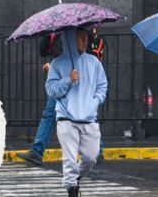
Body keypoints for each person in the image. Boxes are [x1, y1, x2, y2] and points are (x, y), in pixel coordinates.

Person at [17, 29, 105, 166]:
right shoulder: (60, 33)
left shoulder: (82, 33)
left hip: (77, 80)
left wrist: (96, 100)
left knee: (78, 115)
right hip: (64, 80)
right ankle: (37, 151)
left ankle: (37, 151)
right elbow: (44, 51)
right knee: (53, 114)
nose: (84, 40)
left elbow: (87, 58)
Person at [45, 27, 108, 197]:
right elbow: (51, 90)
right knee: (70, 158)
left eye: (85, 37)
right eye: (80, 38)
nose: (85, 41)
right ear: (71, 39)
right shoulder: (57, 64)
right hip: (66, 118)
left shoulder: (94, 63)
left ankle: (75, 179)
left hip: (89, 118)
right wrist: (68, 80)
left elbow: (102, 86)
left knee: (91, 157)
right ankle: (72, 191)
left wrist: (94, 102)